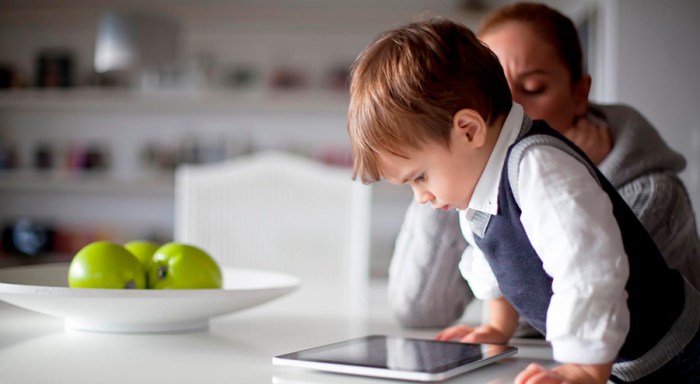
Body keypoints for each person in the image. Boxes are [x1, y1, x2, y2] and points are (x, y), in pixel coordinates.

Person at [347, 16, 699, 383]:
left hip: (672, 355)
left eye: (420, 177)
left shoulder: (538, 168)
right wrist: (497, 326)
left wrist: (582, 366)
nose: (420, 196)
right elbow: (490, 256)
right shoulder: (481, 183)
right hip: (621, 360)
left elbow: (588, 268)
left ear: (469, 130)